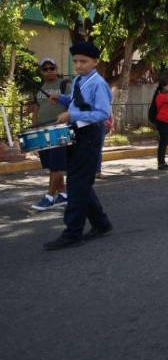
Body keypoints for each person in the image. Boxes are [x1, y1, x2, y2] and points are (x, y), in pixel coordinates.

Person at [43, 42, 114, 250]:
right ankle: (101, 224)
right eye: (76, 61)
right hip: (77, 133)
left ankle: (73, 232)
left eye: (83, 61)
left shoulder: (98, 83)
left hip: (90, 134)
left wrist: (72, 115)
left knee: (77, 183)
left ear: (95, 62)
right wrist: (62, 99)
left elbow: (102, 113)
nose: (79, 65)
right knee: (79, 180)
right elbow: (77, 103)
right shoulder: (78, 81)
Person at [28, 58, 69, 211]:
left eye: (51, 68)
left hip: (60, 130)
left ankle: (49, 197)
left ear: (56, 69)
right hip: (42, 131)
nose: (49, 71)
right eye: (45, 69)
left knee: (56, 165)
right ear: (41, 72)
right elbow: (37, 109)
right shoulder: (40, 88)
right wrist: (33, 129)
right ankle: (63, 194)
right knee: (50, 165)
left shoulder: (64, 84)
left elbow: (74, 104)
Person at [150, 78, 168, 170]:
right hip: (163, 122)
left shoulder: (167, 95)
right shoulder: (161, 96)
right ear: (163, 86)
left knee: (165, 142)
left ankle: (163, 162)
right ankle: (161, 163)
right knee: (163, 142)